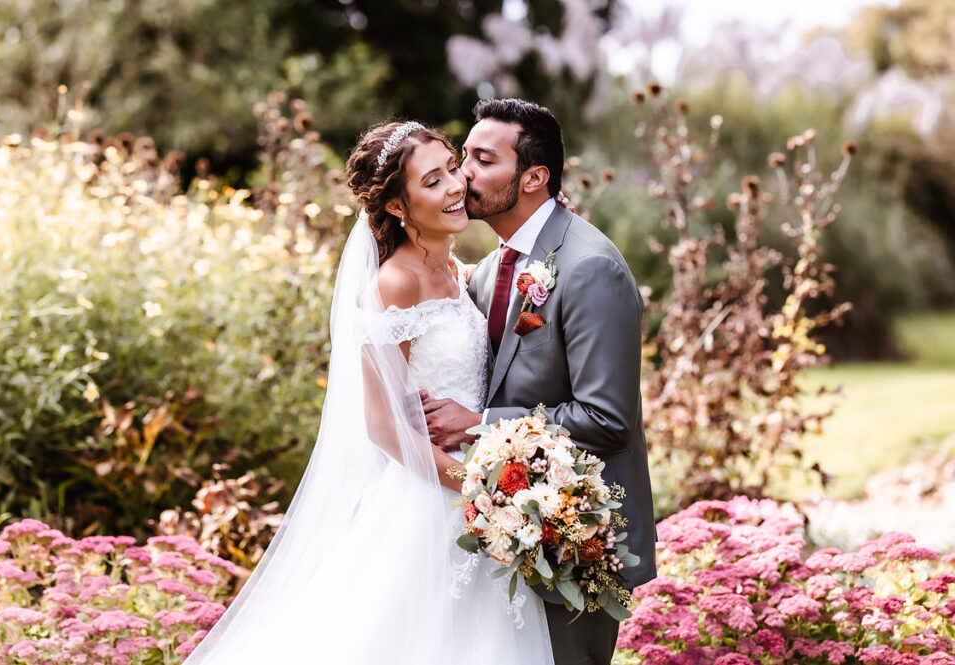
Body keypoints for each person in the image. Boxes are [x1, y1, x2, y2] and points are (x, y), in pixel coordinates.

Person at [182, 121, 554, 665]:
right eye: (433, 181)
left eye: (452, 168)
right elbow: (381, 427)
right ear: (399, 207)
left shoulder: (453, 267)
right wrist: (479, 489)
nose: (456, 186)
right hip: (433, 503)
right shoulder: (395, 283)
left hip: (480, 499)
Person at [422, 98, 658, 665]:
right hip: (503, 528)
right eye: (462, 159)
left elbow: (607, 419)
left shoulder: (589, 267)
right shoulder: (492, 267)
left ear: (533, 177)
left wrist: (478, 426)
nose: (463, 175)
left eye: (482, 160)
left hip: (575, 539)